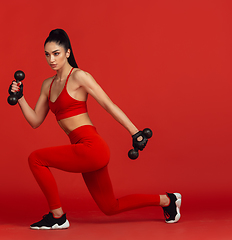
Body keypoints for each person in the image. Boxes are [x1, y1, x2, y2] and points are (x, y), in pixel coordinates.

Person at [9, 29, 181, 230]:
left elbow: (108, 104)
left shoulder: (80, 76)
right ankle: (168, 201)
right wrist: (20, 98)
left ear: (67, 52)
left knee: (35, 158)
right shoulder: (48, 84)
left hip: (92, 147)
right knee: (110, 207)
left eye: (56, 53)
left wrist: (135, 132)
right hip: (82, 149)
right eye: (47, 54)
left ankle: (58, 216)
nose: (51, 59)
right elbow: (35, 121)